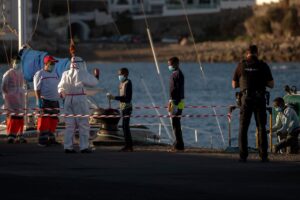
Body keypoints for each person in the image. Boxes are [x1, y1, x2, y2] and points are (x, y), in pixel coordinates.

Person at [232, 45, 274, 162]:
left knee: (243, 127)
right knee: (261, 127)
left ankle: (243, 156)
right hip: (260, 98)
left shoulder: (241, 65)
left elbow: (234, 85)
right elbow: (271, 85)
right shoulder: (263, 65)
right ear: (257, 53)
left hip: (246, 99)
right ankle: (263, 156)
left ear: (247, 54)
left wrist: (245, 84)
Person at [58, 56, 99, 153]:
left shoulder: (65, 73)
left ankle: (68, 147)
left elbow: (60, 87)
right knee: (83, 124)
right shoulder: (82, 73)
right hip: (79, 98)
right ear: (80, 63)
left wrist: (62, 93)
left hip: (68, 99)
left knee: (69, 125)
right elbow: (93, 83)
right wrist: (96, 76)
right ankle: (84, 147)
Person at [33, 55, 60, 147]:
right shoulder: (39, 74)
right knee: (44, 120)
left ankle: (51, 139)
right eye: (51, 63)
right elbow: (37, 88)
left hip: (55, 100)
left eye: (54, 63)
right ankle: (42, 140)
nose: (53, 65)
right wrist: (38, 100)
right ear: (46, 64)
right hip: (45, 100)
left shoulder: (55, 73)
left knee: (54, 120)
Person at [107, 68, 133, 152]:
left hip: (127, 107)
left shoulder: (128, 83)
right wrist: (113, 97)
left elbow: (127, 98)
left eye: (120, 74)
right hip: (123, 107)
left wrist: (114, 97)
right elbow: (121, 96)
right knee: (124, 127)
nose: (119, 76)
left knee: (126, 127)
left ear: (126, 74)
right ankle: (128, 145)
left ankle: (129, 146)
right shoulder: (122, 83)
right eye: (118, 75)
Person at [1, 55, 26, 144]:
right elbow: (4, 86)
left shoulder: (20, 73)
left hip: (20, 97)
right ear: (12, 63)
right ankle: (11, 135)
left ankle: (20, 134)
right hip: (11, 98)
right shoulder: (8, 73)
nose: (17, 64)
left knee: (21, 116)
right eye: (16, 62)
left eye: (19, 62)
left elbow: (22, 84)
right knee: (12, 116)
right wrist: (8, 95)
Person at [167, 57, 185, 151]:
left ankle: (178, 144)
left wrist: (173, 103)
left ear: (176, 64)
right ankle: (178, 143)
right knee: (175, 123)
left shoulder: (177, 74)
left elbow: (176, 90)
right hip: (176, 101)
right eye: (168, 64)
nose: (169, 66)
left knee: (175, 122)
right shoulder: (176, 73)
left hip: (176, 101)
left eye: (170, 64)